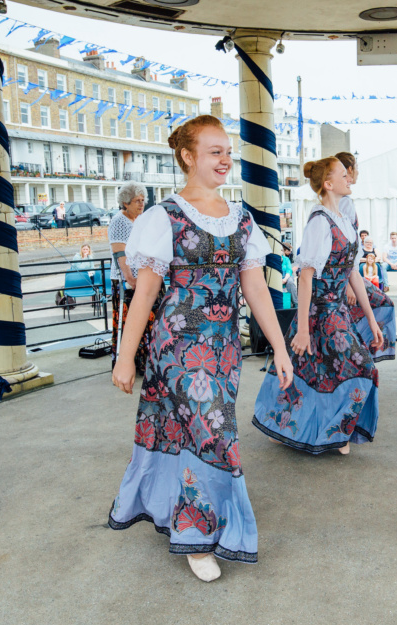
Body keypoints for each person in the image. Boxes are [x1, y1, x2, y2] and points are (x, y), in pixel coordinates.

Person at [108, 115, 294, 583]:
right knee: (214, 433)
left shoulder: (242, 220)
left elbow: (256, 290)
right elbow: (145, 294)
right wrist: (126, 355)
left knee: (195, 433)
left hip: (225, 349)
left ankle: (184, 509)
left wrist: (281, 348)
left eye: (228, 151)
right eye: (215, 151)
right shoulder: (161, 218)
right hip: (177, 348)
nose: (226, 160)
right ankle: (198, 533)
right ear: (188, 156)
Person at [253, 157, 383, 455]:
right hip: (319, 310)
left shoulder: (344, 221)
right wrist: (301, 328)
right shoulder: (319, 221)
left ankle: (316, 429)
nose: (349, 178)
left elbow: (354, 274)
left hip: (337, 310)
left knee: (316, 370)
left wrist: (372, 320)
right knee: (358, 367)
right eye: (342, 174)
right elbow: (306, 276)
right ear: (328, 183)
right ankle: (319, 429)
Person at [338, 151, 396, 363]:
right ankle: (362, 352)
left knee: (382, 303)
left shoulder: (344, 201)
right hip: (343, 277)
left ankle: (362, 350)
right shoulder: (343, 203)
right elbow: (341, 248)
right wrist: (348, 284)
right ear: (349, 171)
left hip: (348, 274)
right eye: (357, 168)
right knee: (383, 304)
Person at [108, 181, 163, 372]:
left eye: (142, 200)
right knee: (129, 320)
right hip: (126, 280)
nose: (141, 204)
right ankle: (129, 362)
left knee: (147, 319)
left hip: (142, 278)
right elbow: (119, 254)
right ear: (125, 203)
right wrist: (130, 280)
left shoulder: (138, 220)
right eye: (136, 201)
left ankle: (146, 359)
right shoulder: (119, 221)